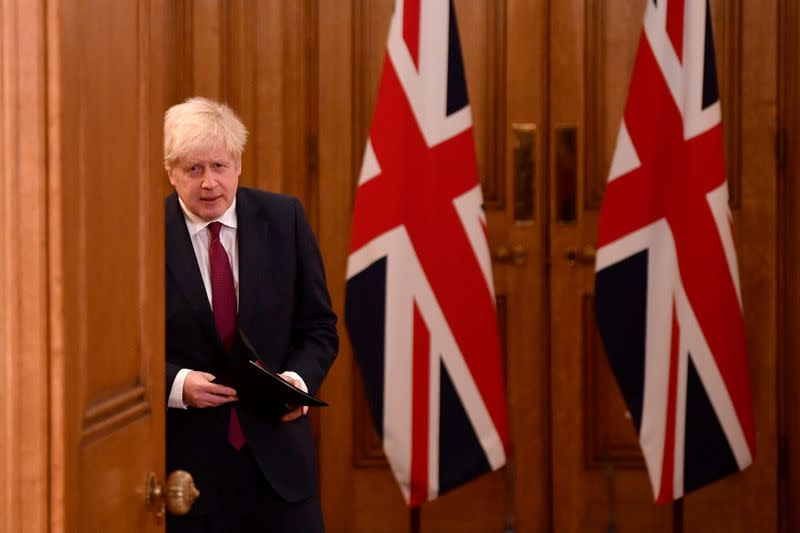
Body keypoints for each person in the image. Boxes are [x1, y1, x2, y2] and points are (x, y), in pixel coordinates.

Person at [163, 96, 338, 532]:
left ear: (238, 165)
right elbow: (117, 350)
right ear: (171, 173)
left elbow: (319, 328)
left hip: (279, 463)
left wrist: (296, 384)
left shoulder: (285, 219)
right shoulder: (144, 232)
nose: (209, 183)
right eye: (194, 169)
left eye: (219, 166)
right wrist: (177, 383)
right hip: (185, 469)